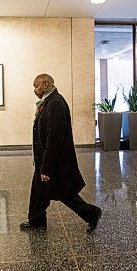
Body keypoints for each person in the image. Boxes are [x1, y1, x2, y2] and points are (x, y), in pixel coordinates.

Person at [20, 73, 102, 233]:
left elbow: (54, 139)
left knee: (65, 193)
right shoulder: (49, 102)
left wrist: (46, 168)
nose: (34, 90)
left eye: (36, 86)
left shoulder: (55, 103)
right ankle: (36, 220)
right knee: (38, 189)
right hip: (45, 158)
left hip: (55, 160)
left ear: (46, 84)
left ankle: (92, 213)